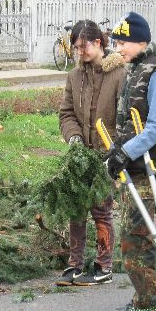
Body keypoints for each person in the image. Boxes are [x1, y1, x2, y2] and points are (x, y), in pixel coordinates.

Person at [105, 11, 156, 311]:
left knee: (135, 233)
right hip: (135, 165)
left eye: (122, 43)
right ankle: (143, 295)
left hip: (151, 166)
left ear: (139, 41)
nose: (118, 48)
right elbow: (129, 124)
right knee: (135, 229)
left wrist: (127, 153)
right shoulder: (135, 70)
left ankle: (148, 302)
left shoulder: (155, 74)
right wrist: (116, 152)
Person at [57, 20, 126, 286]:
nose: (79, 52)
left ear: (98, 43)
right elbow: (67, 113)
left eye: (83, 47)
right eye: (75, 48)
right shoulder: (74, 77)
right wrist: (73, 137)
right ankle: (74, 264)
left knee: (101, 209)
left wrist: (116, 148)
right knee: (76, 208)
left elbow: (126, 117)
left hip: (105, 155)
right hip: (81, 155)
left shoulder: (119, 74)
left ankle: (103, 266)